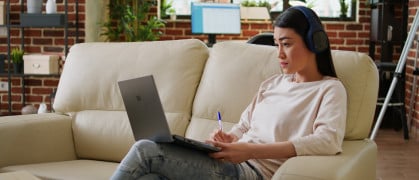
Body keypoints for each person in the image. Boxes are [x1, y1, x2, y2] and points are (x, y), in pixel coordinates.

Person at [111, 6, 347, 180]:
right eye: (277, 44)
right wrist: (229, 139)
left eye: (287, 44)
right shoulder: (272, 84)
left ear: (314, 42)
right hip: (232, 162)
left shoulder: (329, 89)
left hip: (252, 172)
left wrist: (250, 151)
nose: (279, 54)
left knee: (145, 151)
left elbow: (327, 141)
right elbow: (243, 128)